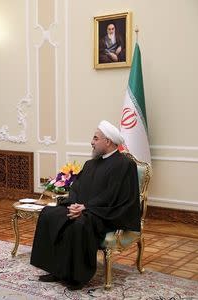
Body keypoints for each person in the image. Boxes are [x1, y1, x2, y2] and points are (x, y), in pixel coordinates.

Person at [30, 120, 140, 290]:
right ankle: (56, 270)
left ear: (108, 141)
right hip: (83, 208)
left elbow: (115, 197)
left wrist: (86, 208)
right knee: (49, 213)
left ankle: (76, 278)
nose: (92, 142)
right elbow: (76, 189)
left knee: (79, 224)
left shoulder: (125, 165)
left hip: (105, 214)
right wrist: (74, 204)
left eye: (96, 138)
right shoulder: (91, 164)